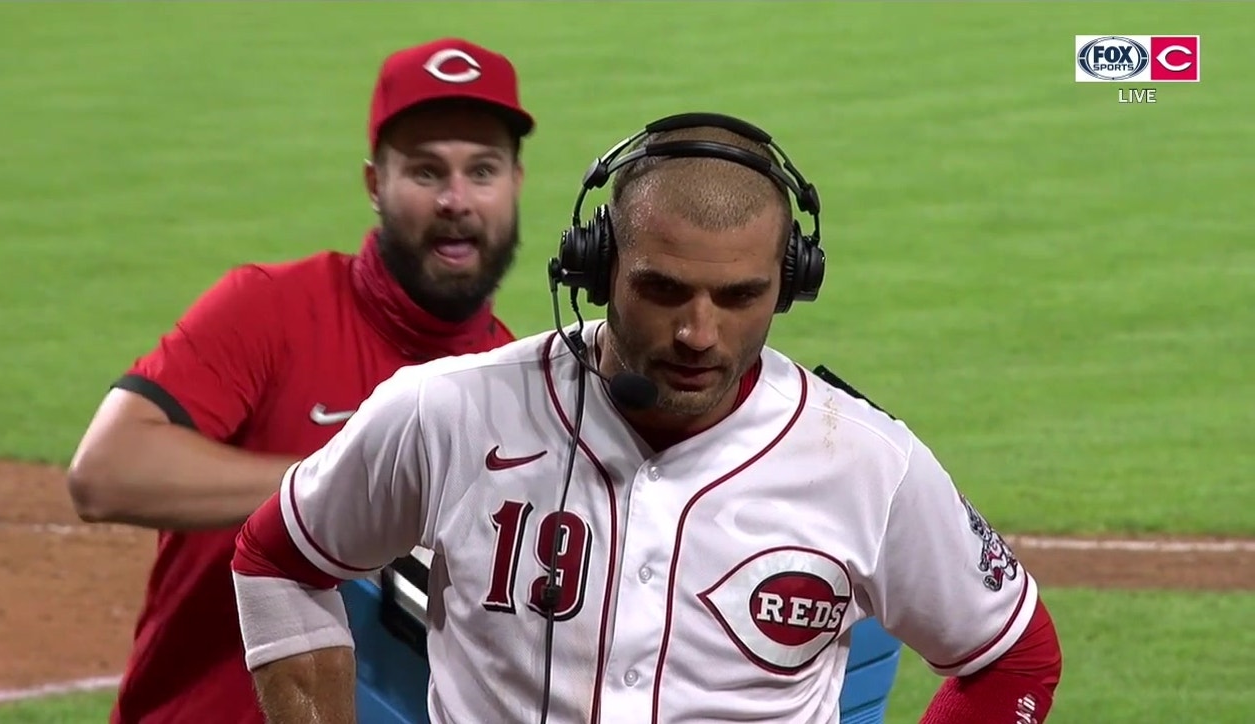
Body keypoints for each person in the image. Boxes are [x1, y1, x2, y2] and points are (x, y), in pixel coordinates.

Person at [230, 115, 1063, 723]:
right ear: (597, 269)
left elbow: (1012, 656)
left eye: (741, 298)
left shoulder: (867, 463)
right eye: (663, 290)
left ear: (792, 284)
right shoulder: (448, 411)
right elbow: (280, 554)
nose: (700, 334)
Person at [65, 37, 533, 724]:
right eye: (426, 172)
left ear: (516, 184)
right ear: (376, 183)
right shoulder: (271, 310)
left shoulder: (523, 390)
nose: (456, 200)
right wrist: (353, 488)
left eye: (482, 171)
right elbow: (105, 473)